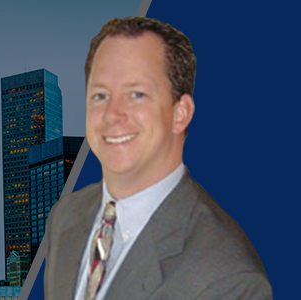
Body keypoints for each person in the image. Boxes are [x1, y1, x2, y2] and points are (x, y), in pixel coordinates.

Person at [42, 16, 271, 299]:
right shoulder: (65, 218)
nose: (112, 114)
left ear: (181, 113)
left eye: (136, 94)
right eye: (100, 95)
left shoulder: (227, 277)